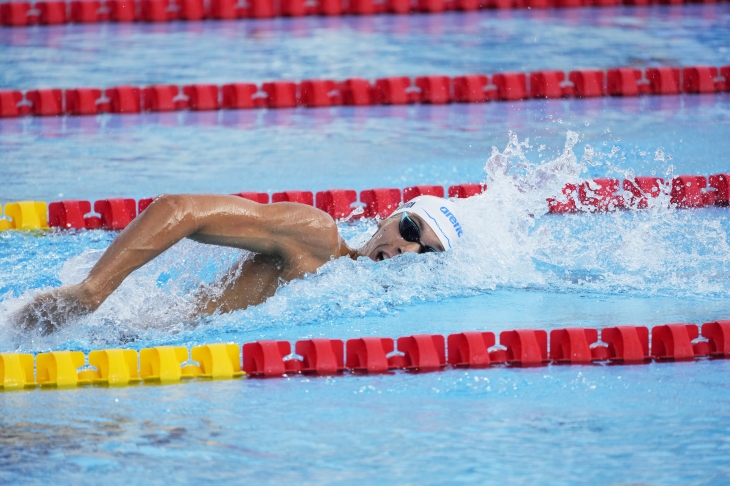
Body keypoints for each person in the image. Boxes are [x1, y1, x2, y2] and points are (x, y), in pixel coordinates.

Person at [13, 193, 463, 334]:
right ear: (389, 216)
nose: (408, 250)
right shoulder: (317, 238)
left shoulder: (373, 313)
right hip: (125, 331)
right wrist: (94, 290)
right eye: (409, 229)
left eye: (425, 251)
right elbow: (180, 209)